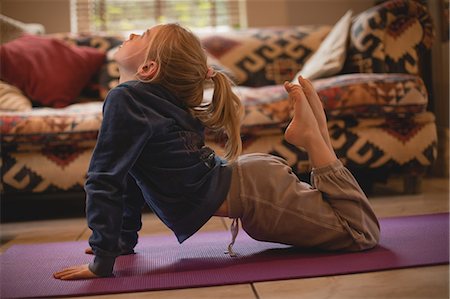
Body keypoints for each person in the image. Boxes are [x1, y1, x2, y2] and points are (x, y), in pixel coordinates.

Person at [53, 23, 380, 280]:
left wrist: (102, 261)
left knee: (361, 233)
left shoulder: (127, 100)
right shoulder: (139, 102)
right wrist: (119, 244)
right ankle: (318, 136)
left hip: (255, 192)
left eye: (145, 34)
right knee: (350, 223)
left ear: (149, 68)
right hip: (251, 183)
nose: (133, 34)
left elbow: (103, 180)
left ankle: (315, 139)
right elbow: (125, 178)